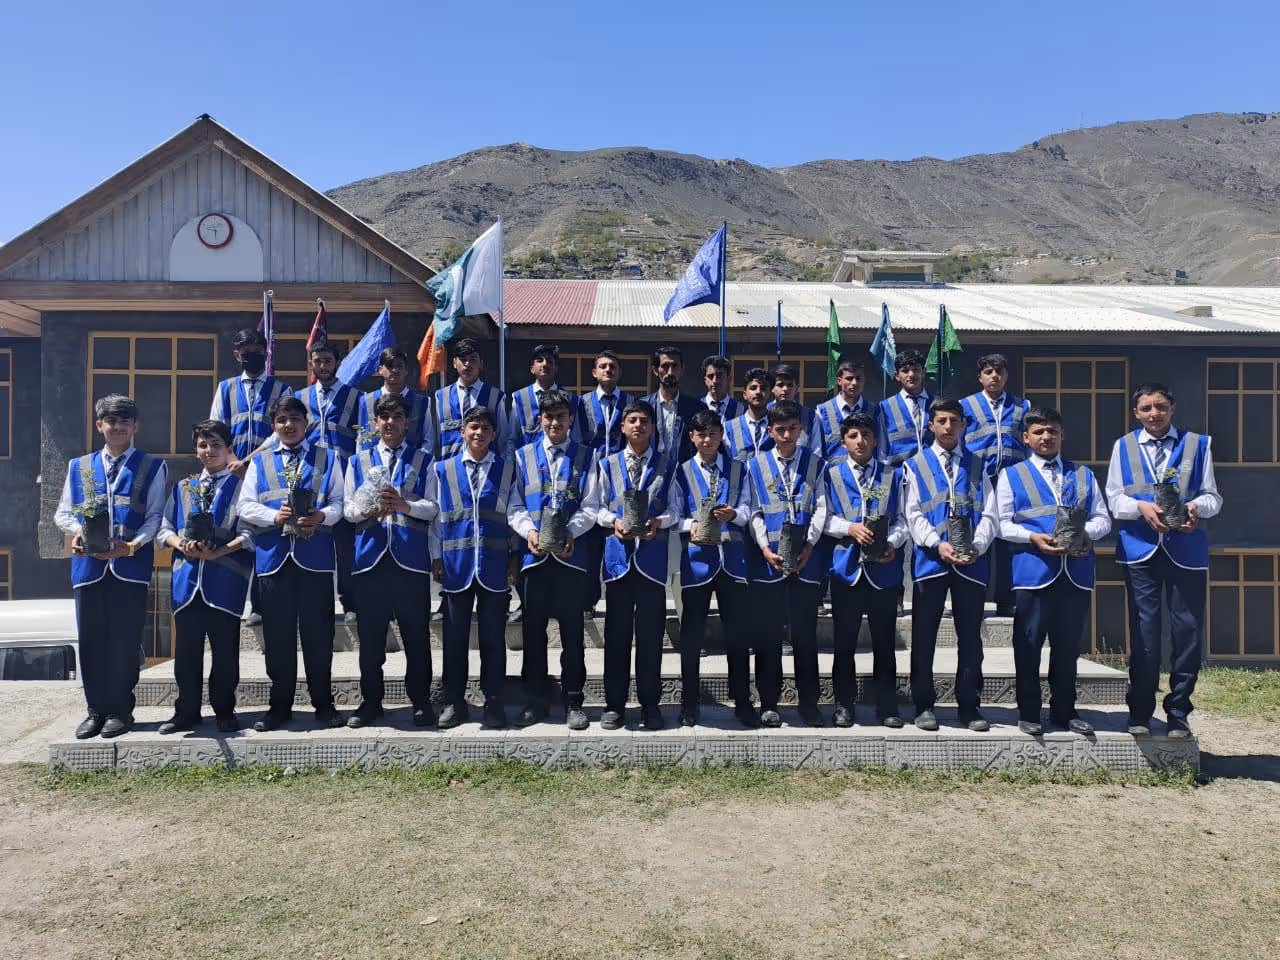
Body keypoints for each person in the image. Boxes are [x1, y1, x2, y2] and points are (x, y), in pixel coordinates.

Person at [1105, 383, 1221, 737]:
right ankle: (1140, 710)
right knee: (1145, 632)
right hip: (1140, 550)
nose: (1153, 414)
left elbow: (1213, 496)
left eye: (1160, 406)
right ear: (1135, 413)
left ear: (1172, 408)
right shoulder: (1123, 447)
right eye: (1146, 408)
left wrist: (1195, 507)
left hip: (1185, 551)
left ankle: (1179, 711)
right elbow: (1114, 499)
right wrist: (1140, 506)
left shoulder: (1198, 444)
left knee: (1187, 632)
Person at [55, 394, 167, 739]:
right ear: (99, 425)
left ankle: (121, 710)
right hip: (88, 569)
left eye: (124, 421)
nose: (117, 427)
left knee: (123, 640)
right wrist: (76, 532)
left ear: (135, 427)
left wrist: (131, 547)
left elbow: (155, 518)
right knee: (91, 641)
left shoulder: (152, 466)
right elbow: (63, 512)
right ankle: (95, 710)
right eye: (110, 421)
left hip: (128, 569)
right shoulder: (79, 466)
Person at [998, 406, 1111, 735]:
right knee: (1029, 645)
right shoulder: (1012, 475)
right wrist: (1032, 536)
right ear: (1026, 438)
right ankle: (1029, 712)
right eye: (1038, 432)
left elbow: (1103, 518)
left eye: (1052, 431)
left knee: (1067, 647)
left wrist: (1087, 534)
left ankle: (1065, 711)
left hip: (1075, 572)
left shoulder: (1083, 474)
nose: (1045, 437)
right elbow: (1002, 524)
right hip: (1033, 572)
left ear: (1062, 435)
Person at [237, 395, 345, 731]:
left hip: (315, 559)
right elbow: (245, 506)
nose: (289, 425)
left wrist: (323, 515)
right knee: (278, 637)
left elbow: (341, 502)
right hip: (274, 561)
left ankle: (323, 705)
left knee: (318, 637)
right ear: (274, 425)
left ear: (306, 422)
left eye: (295, 419)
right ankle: (279, 706)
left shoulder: (327, 458)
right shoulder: (261, 461)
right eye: (282, 420)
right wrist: (274, 515)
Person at [343, 394, 438, 728]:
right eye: (384, 417)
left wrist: (405, 506)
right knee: (371, 637)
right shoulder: (359, 461)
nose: (390, 423)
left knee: (416, 635)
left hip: (409, 559)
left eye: (397, 416)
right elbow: (348, 509)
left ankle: (421, 701)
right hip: (370, 558)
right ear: (375, 423)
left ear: (407, 422)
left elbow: (433, 507)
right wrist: (368, 510)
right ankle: (371, 701)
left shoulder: (423, 460)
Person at [903, 398, 998, 732]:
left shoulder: (977, 464)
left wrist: (978, 545)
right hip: (931, 561)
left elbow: (990, 512)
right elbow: (912, 514)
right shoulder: (915, 464)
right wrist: (936, 543)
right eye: (941, 420)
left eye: (954, 421)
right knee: (924, 636)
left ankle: (969, 706)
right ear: (931, 425)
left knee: (970, 637)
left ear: (963, 425)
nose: (947, 426)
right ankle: (924, 704)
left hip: (971, 562)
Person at [508, 390, 600, 729]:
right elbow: (514, 505)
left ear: (571, 419)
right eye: (548, 417)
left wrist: (571, 531)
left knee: (573, 632)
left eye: (561, 416)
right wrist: (529, 532)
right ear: (539, 420)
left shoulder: (587, 457)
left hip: (570, 558)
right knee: (533, 633)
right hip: (535, 560)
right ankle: (536, 700)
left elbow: (591, 505)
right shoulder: (522, 457)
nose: (554, 422)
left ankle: (574, 700)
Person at [156, 420, 253, 734]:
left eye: (215, 445)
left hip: (224, 583)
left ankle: (224, 710)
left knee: (225, 653)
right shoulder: (183, 487)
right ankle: (186, 712)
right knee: (186, 655)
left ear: (228, 449)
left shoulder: (241, 487)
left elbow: (251, 534)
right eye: (202, 445)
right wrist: (179, 544)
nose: (208, 451)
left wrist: (219, 552)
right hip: (187, 584)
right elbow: (164, 529)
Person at [429, 406, 516, 729]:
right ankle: (455, 701)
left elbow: (513, 516)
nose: (478, 433)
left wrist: (515, 556)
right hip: (456, 566)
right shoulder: (443, 469)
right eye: (473, 427)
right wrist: (436, 556)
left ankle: (494, 702)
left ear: (494, 435)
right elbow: (436, 518)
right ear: (462, 432)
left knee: (493, 639)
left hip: (494, 567)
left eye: (485, 429)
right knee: (454, 639)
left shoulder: (507, 470)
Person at [746, 399, 829, 727]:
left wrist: (809, 543)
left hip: (806, 561)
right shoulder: (756, 465)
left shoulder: (815, 464)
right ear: (770, 431)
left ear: (801, 429)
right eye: (780, 429)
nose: (786, 435)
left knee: (805, 636)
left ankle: (809, 703)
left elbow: (822, 506)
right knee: (768, 636)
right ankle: (769, 701)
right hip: (769, 563)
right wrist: (765, 547)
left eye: (792, 429)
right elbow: (752, 511)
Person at [596, 399, 678, 730]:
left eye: (645, 420)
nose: (638, 426)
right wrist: (612, 521)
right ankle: (614, 705)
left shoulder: (667, 465)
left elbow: (676, 509)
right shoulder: (607, 464)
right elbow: (597, 506)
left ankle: (650, 705)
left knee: (649, 638)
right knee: (616, 637)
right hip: (618, 562)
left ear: (653, 427)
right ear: (622, 427)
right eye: (632, 420)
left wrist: (659, 521)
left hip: (651, 563)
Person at [823, 413, 909, 727]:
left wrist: (893, 542)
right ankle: (843, 705)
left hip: (883, 570)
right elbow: (824, 518)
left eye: (867, 435)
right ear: (844, 440)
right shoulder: (831, 474)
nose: (861, 441)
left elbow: (903, 519)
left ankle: (887, 707)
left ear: (875, 439)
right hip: (846, 569)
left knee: (884, 642)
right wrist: (850, 528)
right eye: (854, 435)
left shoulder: (893, 474)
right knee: (843, 643)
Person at [674, 410, 755, 727]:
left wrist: (735, 514)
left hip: (733, 562)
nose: (707, 440)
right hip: (697, 562)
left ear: (722, 435)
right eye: (700, 434)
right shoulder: (681, 472)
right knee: (692, 635)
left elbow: (750, 510)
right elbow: (673, 513)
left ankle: (743, 699)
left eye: (713, 433)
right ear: (692, 437)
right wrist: (689, 524)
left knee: (738, 633)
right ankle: (690, 701)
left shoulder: (738, 470)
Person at [962, 353, 1031, 617]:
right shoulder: (966, 405)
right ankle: (973, 597)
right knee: (978, 535)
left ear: (1006, 375)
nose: (994, 376)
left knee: (1006, 539)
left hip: (1010, 480)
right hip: (978, 479)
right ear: (980, 377)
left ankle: (1006, 599)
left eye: (999, 371)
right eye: (989, 371)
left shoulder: (1021, 405)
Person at [298, 338, 361, 619]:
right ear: (311, 363)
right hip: (311, 477)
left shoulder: (354, 397)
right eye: (317, 360)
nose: (322, 366)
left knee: (344, 542)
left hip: (344, 475)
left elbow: (363, 438)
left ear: (337, 363)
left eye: (328, 361)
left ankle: (350, 601)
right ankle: (311, 601)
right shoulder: (300, 397)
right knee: (310, 535)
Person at [577, 349, 632, 615]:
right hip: (592, 476)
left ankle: (619, 597)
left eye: (612, 366)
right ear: (594, 372)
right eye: (603, 366)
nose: (608, 370)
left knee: (618, 536)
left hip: (621, 479)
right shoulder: (582, 403)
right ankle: (588, 599)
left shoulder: (631, 402)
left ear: (619, 372)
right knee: (590, 541)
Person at [210, 328, 292, 477]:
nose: (252, 355)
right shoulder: (225, 389)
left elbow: (282, 433)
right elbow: (215, 428)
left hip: (269, 468)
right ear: (237, 355)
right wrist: (233, 462)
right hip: (230, 469)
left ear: (266, 355)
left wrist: (247, 461)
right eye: (246, 351)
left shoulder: (282, 390)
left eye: (257, 350)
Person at [434, 337, 510, 461]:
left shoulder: (495, 397)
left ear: (481, 364)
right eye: (463, 360)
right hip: (451, 472)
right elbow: (436, 439)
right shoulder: (441, 396)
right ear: (454, 363)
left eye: (473, 360)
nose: (467, 364)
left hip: (487, 470)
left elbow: (503, 439)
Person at [359, 347, 434, 453]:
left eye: (399, 366)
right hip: (375, 466)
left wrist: (416, 464)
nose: (395, 370)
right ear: (380, 369)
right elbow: (361, 441)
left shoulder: (423, 402)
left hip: (411, 466)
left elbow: (429, 441)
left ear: (406, 370)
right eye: (389, 366)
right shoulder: (366, 401)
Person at [643, 344, 703, 464]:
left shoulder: (697, 408)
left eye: (675, 366)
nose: (670, 372)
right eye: (665, 366)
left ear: (682, 369)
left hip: (685, 475)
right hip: (651, 474)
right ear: (655, 370)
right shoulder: (643, 406)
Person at [877, 349, 933, 466]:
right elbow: (882, 449)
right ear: (897, 375)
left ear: (923, 372)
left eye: (916, 370)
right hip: (900, 475)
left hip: (932, 474)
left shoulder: (936, 404)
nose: (911, 375)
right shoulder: (886, 407)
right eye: (905, 371)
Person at [817, 358, 873, 463]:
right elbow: (817, 450)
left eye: (858, 378)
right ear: (839, 381)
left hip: (866, 476)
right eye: (849, 378)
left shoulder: (875, 411)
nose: (854, 383)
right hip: (833, 476)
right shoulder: (822, 411)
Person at [509, 343, 567, 447]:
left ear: (556, 368)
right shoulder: (519, 398)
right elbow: (512, 437)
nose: (545, 364)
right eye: (540, 360)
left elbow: (575, 438)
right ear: (532, 368)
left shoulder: (569, 398)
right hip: (528, 460)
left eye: (549, 361)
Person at [768, 363, 825, 457]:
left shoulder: (810, 416)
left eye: (790, 385)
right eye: (780, 385)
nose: (785, 389)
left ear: (797, 388)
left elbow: (817, 451)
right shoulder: (765, 413)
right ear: (772, 388)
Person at [722, 367, 772, 462]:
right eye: (753, 388)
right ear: (744, 394)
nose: (758, 392)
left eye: (763, 388)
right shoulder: (728, 428)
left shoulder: (778, 427)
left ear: (770, 395)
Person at [701, 354, 744, 422]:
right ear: (705, 380)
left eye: (719, 376)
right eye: (710, 376)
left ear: (729, 379)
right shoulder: (697, 407)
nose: (715, 381)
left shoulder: (740, 409)